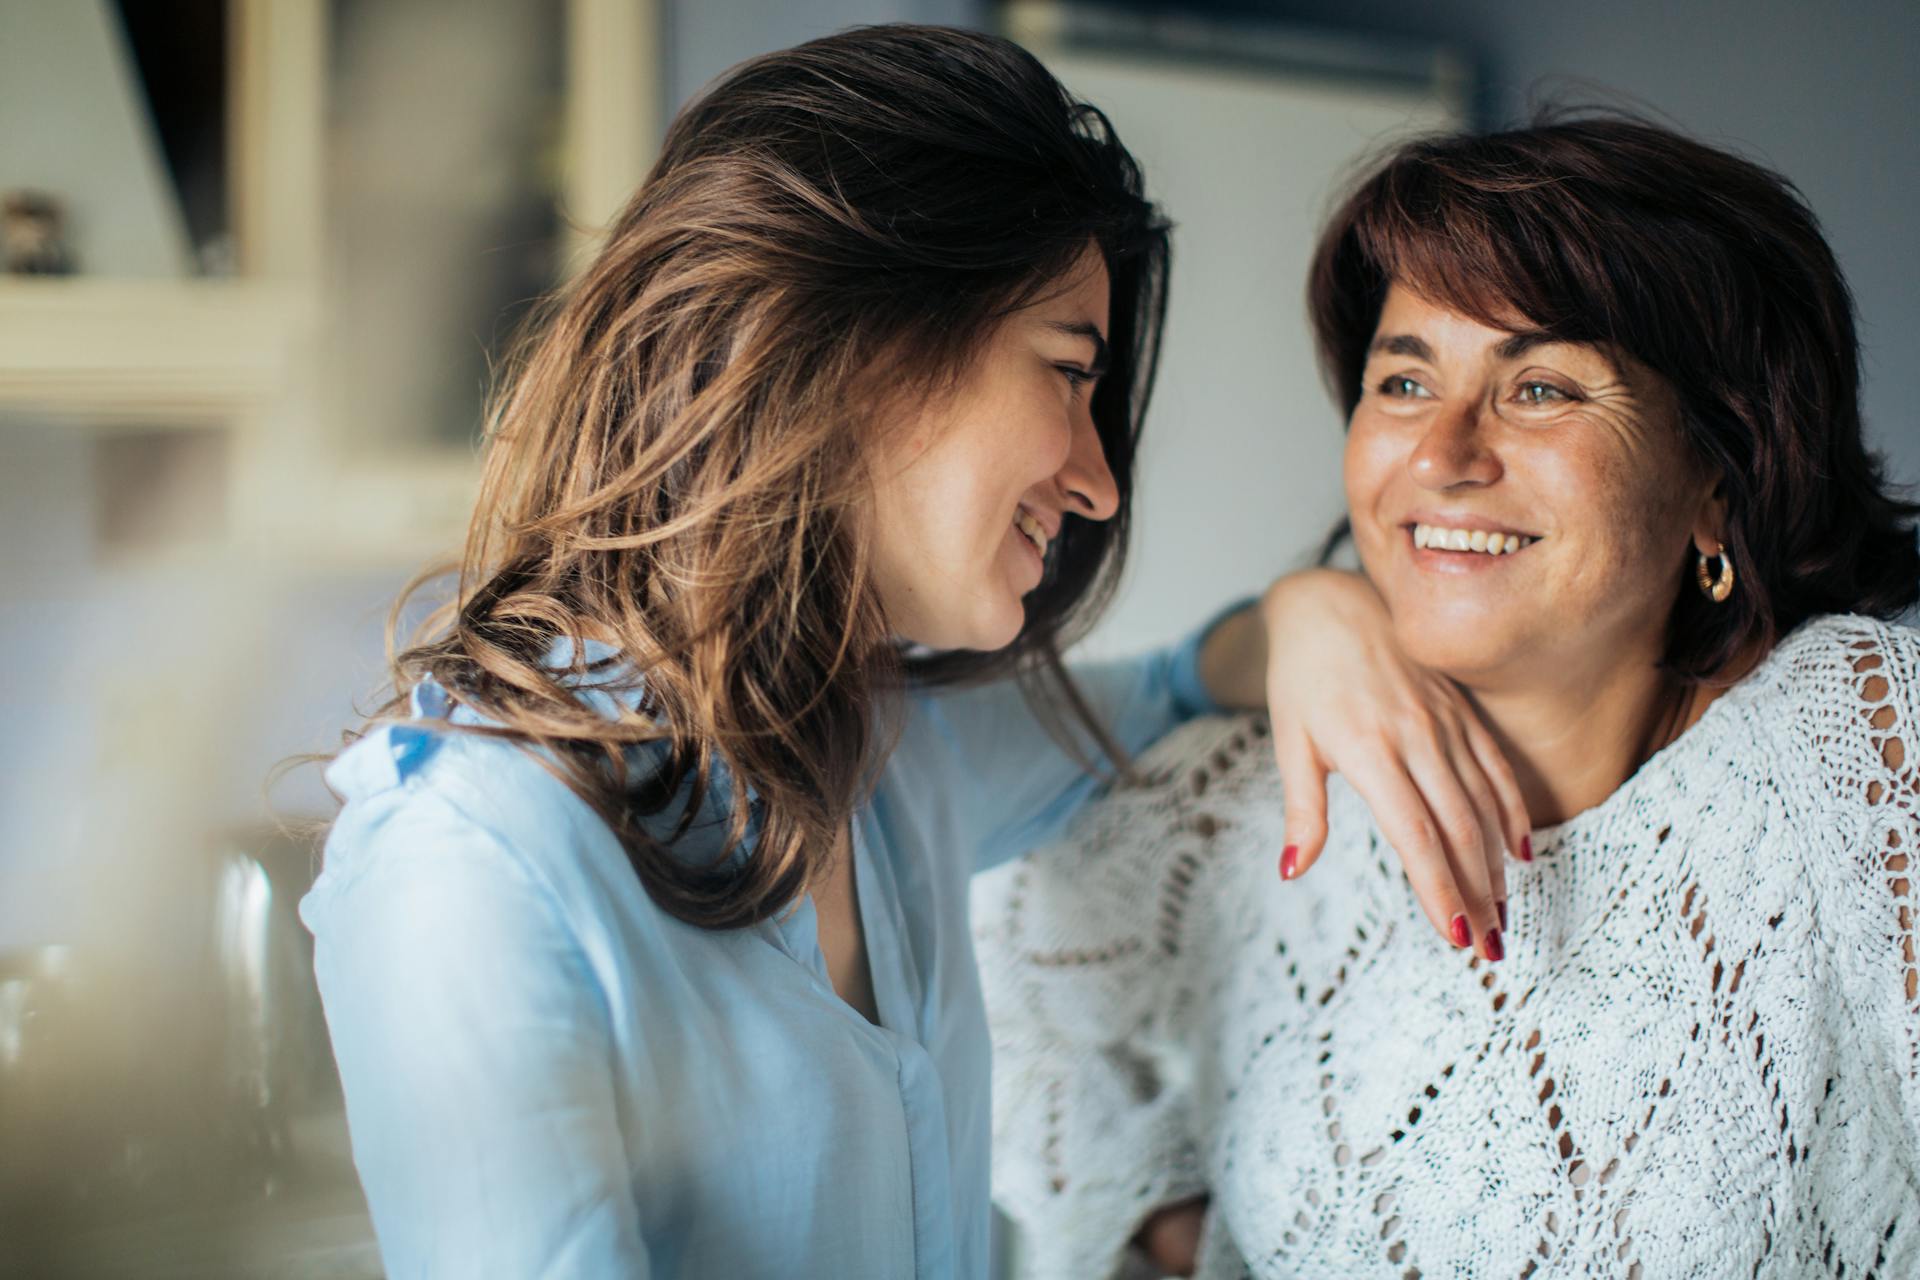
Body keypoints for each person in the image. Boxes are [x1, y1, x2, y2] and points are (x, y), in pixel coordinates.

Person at [298, 26, 1524, 1279]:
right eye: (1066, 373)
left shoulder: (881, 744)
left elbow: (1163, 693)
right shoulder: (475, 857)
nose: (1098, 482)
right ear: (859, 348)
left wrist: (1318, 608)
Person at [980, 112, 1920, 1279]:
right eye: (1405, 377)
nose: (1443, 450)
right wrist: (1175, 1236)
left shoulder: (1860, 746)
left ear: (1716, 483)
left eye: (1540, 388)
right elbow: (1017, 1003)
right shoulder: (1246, 802)